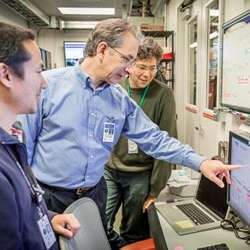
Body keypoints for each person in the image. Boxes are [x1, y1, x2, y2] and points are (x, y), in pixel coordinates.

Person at [19, 17, 237, 247]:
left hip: (93, 195)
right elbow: (22, 153)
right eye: (127, 60)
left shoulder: (118, 99)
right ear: (102, 49)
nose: (130, 69)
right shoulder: (47, 86)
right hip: (50, 196)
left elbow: (155, 138)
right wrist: (29, 203)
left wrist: (201, 163)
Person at [0, 22, 80, 250]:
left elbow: (21, 207)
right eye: (37, 71)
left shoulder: (10, 142)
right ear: (6, 74)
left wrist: (47, 216)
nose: (44, 82)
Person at [104, 37, 177, 247]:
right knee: (100, 222)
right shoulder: (116, 87)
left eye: (153, 68)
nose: (147, 74)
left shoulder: (163, 94)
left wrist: (155, 190)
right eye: (142, 67)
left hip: (140, 174)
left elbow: (167, 141)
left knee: (134, 230)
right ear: (130, 64)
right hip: (110, 168)